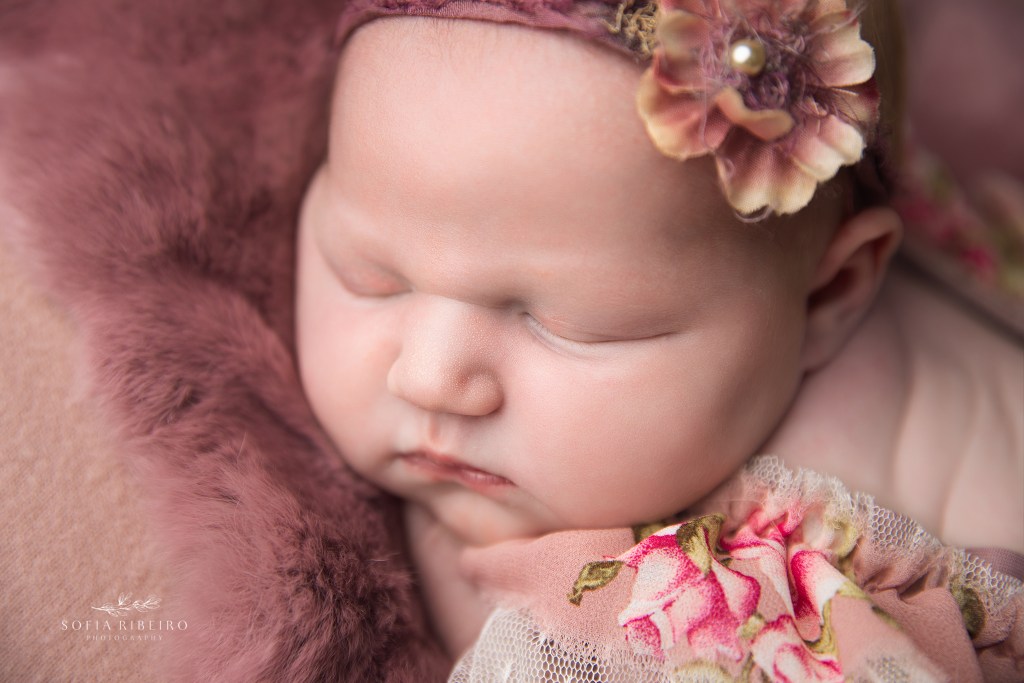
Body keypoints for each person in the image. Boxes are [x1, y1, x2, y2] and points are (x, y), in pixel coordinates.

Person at [294, 0, 1024, 679]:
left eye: (575, 324)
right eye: (369, 273)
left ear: (828, 295)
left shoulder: (773, 588)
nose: (427, 377)